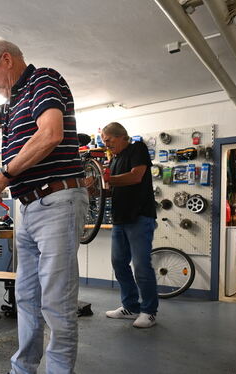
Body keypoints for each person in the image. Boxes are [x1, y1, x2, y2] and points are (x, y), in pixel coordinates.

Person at [0, 38, 88, 374]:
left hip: (57, 201)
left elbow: (50, 134)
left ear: (6, 60)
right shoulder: (12, 103)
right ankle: (23, 369)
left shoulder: (42, 80)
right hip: (28, 208)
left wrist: (5, 174)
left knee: (56, 302)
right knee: (26, 298)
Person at [101, 122, 158, 328]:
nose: (106, 144)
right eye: (104, 141)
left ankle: (149, 311)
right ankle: (130, 307)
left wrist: (108, 180)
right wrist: (96, 188)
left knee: (142, 266)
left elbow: (136, 177)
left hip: (140, 217)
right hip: (120, 219)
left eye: (109, 140)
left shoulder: (137, 148)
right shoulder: (114, 159)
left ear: (122, 136)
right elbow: (111, 186)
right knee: (119, 263)